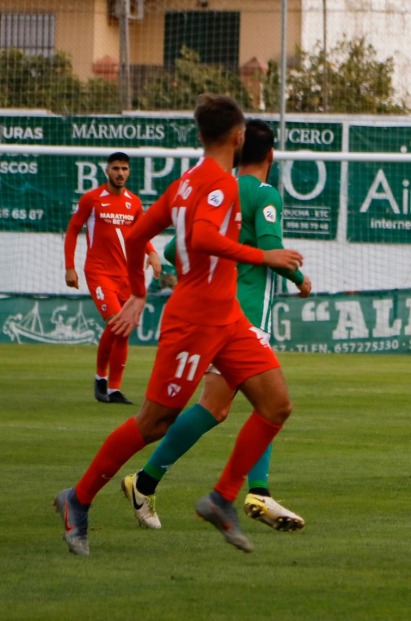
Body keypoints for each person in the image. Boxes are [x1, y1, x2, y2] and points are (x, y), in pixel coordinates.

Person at [53, 95, 304, 557]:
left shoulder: (185, 184)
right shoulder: (219, 185)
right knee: (154, 422)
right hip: (193, 321)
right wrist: (262, 255)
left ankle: (222, 498)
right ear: (238, 135)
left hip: (227, 316)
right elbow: (202, 236)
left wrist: (138, 292)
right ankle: (79, 497)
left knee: (276, 406)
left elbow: (136, 236)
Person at [123, 118, 313, 533]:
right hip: (240, 315)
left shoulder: (220, 188)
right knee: (245, 404)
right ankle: (157, 481)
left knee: (225, 406)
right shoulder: (264, 194)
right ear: (271, 155)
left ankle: (251, 490)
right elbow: (270, 247)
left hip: (216, 311)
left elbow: (176, 247)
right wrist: (300, 279)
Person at [64, 152, 162, 403]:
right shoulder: (92, 199)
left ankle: (114, 390)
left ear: (129, 172)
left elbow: (142, 233)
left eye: (125, 168)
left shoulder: (134, 202)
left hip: (126, 275)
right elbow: (73, 230)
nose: (120, 173)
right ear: (107, 170)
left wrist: (152, 254)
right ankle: (100, 378)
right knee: (117, 322)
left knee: (124, 330)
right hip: (98, 272)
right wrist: (69, 267)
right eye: (116, 168)